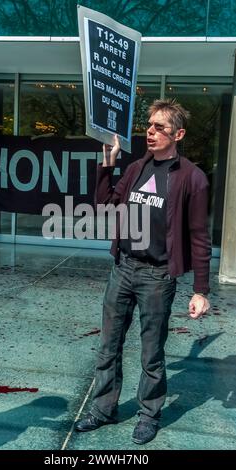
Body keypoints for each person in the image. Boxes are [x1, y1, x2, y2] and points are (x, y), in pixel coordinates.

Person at [74, 99, 211, 444]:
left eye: (159, 127)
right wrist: (108, 164)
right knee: (108, 345)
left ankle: (149, 414)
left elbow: (199, 236)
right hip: (123, 268)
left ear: (178, 134)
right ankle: (104, 409)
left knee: (152, 353)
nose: (150, 132)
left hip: (157, 276)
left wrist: (200, 290)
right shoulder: (136, 169)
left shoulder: (192, 178)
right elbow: (105, 205)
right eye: (148, 125)